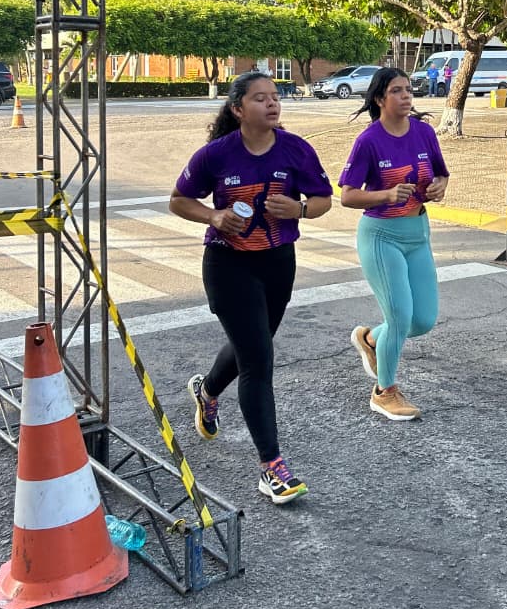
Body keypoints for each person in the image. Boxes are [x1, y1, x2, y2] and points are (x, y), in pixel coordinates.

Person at [169, 72, 332, 504]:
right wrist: (213, 216)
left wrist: (299, 208)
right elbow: (178, 200)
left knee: (252, 346)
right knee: (258, 359)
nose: (272, 104)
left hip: (277, 263)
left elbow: (323, 200)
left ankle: (207, 391)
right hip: (227, 265)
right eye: (261, 98)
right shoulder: (216, 154)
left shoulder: (296, 149)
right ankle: (271, 467)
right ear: (238, 109)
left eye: (275, 97)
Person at [339, 68, 449, 421]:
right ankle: (384, 392)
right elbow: (348, 196)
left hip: (418, 233)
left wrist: (439, 186)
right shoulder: (369, 140)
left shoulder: (424, 132)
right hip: (381, 236)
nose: (406, 96)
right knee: (399, 316)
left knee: (422, 321)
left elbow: (441, 173)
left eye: (408, 90)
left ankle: (372, 339)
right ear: (379, 99)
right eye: (397, 91)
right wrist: (385, 195)